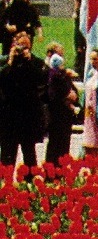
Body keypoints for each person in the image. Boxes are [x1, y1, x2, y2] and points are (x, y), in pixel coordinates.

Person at [0, 33, 46, 171]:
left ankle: (29, 184)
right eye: (20, 45)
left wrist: (29, 61)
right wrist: (10, 63)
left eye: (26, 46)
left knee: (29, 153)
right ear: (14, 44)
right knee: (7, 152)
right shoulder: (4, 61)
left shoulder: (36, 62)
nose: (23, 49)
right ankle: (4, 182)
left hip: (28, 113)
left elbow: (41, 80)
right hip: (9, 113)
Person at [43, 45, 77, 166]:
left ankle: (59, 170)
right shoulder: (48, 71)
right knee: (56, 143)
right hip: (56, 112)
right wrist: (67, 95)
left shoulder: (59, 72)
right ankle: (54, 171)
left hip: (64, 112)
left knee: (62, 143)